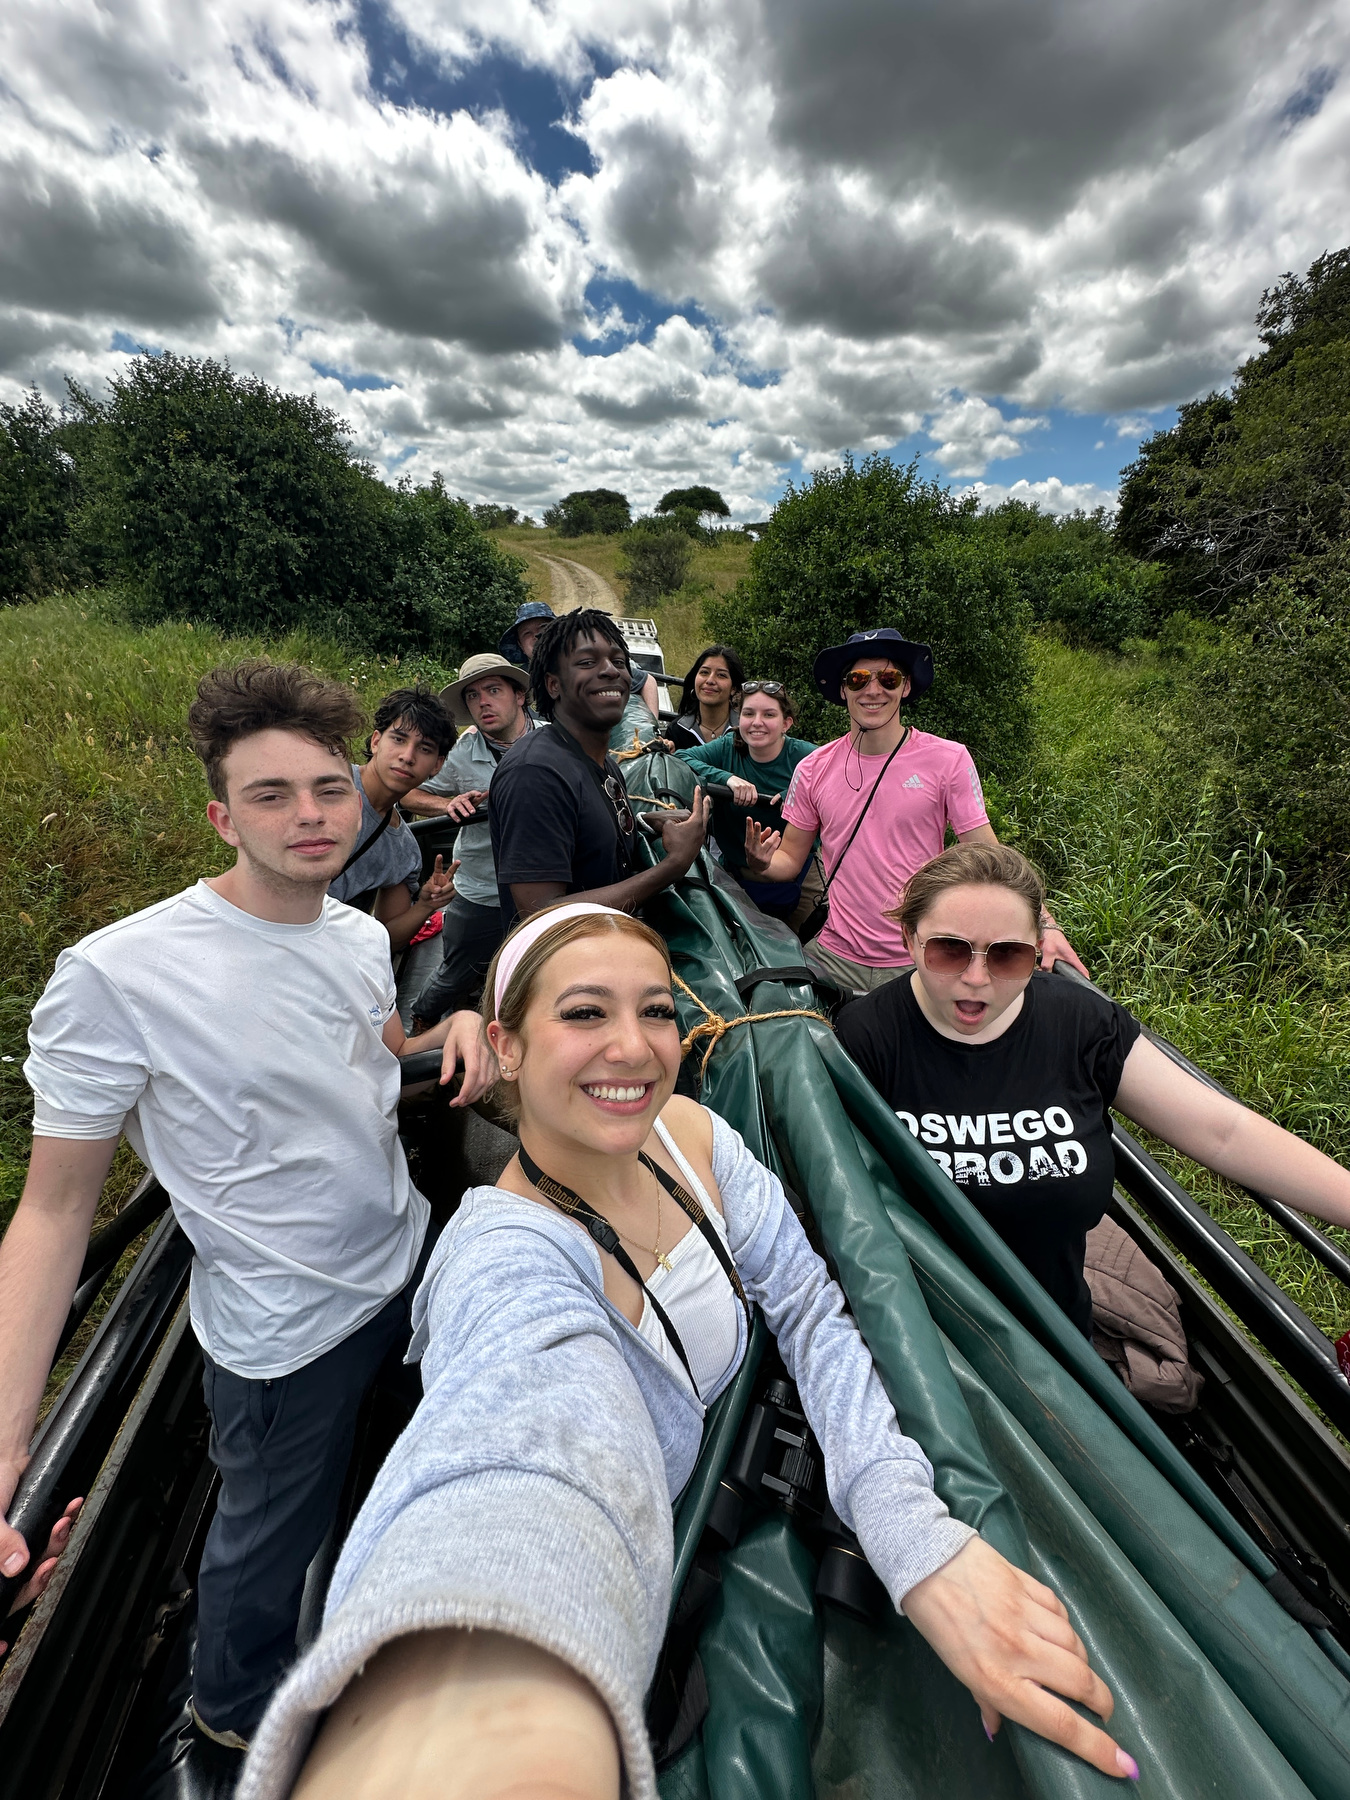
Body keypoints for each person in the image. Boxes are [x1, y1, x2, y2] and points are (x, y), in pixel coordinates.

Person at [240, 906, 1137, 1800]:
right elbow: (526, 1463)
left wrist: (910, 1533)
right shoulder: (504, 1265)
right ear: (506, 1046)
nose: (633, 1048)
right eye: (585, 1013)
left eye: (658, 1010)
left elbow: (806, 1302)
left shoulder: (691, 1138)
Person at [0, 661, 494, 1777]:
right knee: (261, 1558)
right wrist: (6, 1451)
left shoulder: (357, 935)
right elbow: (51, 1215)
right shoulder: (119, 976)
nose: (310, 815)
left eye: (326, 788)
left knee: (378, 1480)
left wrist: (447, 1028)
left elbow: (360, 1068)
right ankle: (227, 1729)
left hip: (402, 1261)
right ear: (222, 815)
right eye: (270, 795)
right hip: (283, 1334)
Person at [834, 841, 1350, 1337]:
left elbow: (1223, 1131)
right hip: (920, 1341)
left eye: (1007, 956)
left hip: (1058, 1341)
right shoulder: (863, 1038)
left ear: (1037, 950)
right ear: (908, 938)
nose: (976, 978)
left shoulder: (1080, 1024)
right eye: (949, 951)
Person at [744, 627, 1086, 994]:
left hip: (920, 957)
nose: (873, 690)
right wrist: (762, 863)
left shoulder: (948, 759)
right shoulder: (812, 768)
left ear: (905, 687)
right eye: (858, 679)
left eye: (888, 678)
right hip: (833, 957)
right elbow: (790, 861)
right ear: (843, 690)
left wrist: (1045, 925)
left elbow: (994, 859)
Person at [489, 608, 710, 927]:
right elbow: (540, 915)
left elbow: (584, 833)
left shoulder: (603, 763)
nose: (610, 671)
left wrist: (645, 822)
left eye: (618, 662)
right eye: (587, 662)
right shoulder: (534, 773)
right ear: (553, 685)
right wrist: (672, 867)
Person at [401, 654, 540, 1025]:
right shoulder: (463, 751)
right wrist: (449, 803)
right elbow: (408, 793)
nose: (484, 703)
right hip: (480, 885)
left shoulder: (555, 742)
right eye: (474, 696)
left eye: (493, 690)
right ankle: (420, 1028)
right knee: (454, 971)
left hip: (545, 883)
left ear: (520, 696)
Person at [326, 686, 458, 953]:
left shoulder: (403, 850)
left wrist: (426, 904)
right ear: (376, 741)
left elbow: (388, 939)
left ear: (437, 765)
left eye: (424, 748)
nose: (407, 757)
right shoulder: (324, 784)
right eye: (398, 739)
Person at [675, 679, 817, 920]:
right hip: (738, 876)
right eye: (749, 713)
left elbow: (840, 779)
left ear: (786, 724)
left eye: (769, 714)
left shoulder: (808, 757)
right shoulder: (728, 747)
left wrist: (793, 795)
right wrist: (727, 779)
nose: (757, 722)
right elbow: (681, 756)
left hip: (797, 875)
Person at [663, 643, 744, 750]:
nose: (710, 680)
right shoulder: (677, 730)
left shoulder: (745, 729)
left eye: (721, 675)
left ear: (734, 688)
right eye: (704, 672)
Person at [498, 598, 556, 667]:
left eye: (542, 627)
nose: (536, 634)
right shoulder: (519, 677)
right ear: (521, 645)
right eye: (527, 633)